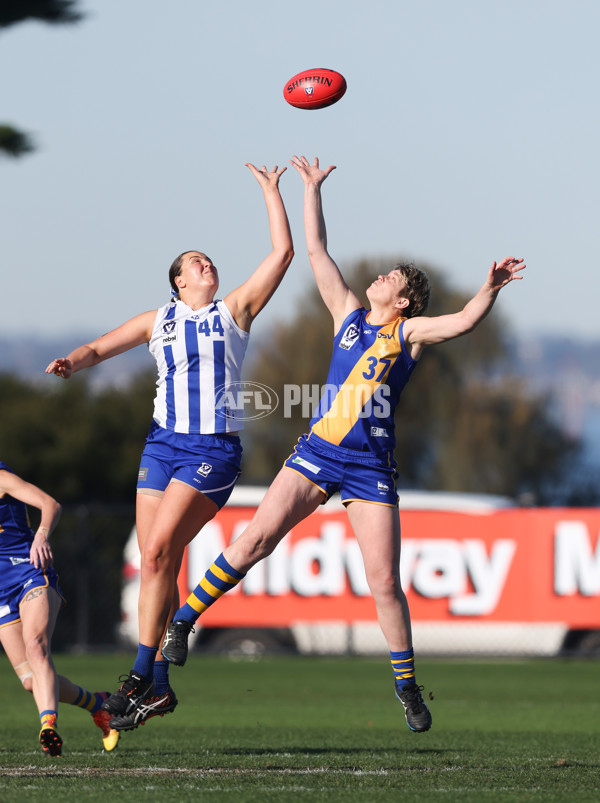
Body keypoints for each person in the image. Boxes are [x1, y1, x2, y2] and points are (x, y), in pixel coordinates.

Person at [160, 155, 525, 733]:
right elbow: (316, 252)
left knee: (383, 582)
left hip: (369, 468)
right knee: (255, 539)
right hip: (317, 453)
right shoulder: (349, 315)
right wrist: (309, 189)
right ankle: (182, 622)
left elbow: (461, 323)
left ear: (403, 301)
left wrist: (490, 288)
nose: (378, 277)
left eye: (391, 279)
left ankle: (407, 688)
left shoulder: (406, 332)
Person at [45, 162, 294, 732]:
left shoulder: (233, 312)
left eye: (209, 260)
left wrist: (270, 191)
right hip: (161, 447)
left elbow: (282, 254)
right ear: (178, 281)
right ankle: (158, 687)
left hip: (212, 449)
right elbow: (100, 348)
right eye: (194, 263)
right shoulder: (160, 319)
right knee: (159, 561)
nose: (207, 264)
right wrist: (73, 362)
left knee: (157, 552)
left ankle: (137, 676)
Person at [0, 462, 119, 756]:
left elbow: (49, 504)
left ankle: (48, 725)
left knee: (36, 647)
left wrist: (41, 535)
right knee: (30, 681)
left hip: (29, 573)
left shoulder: (1, 479)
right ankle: (100, 706)